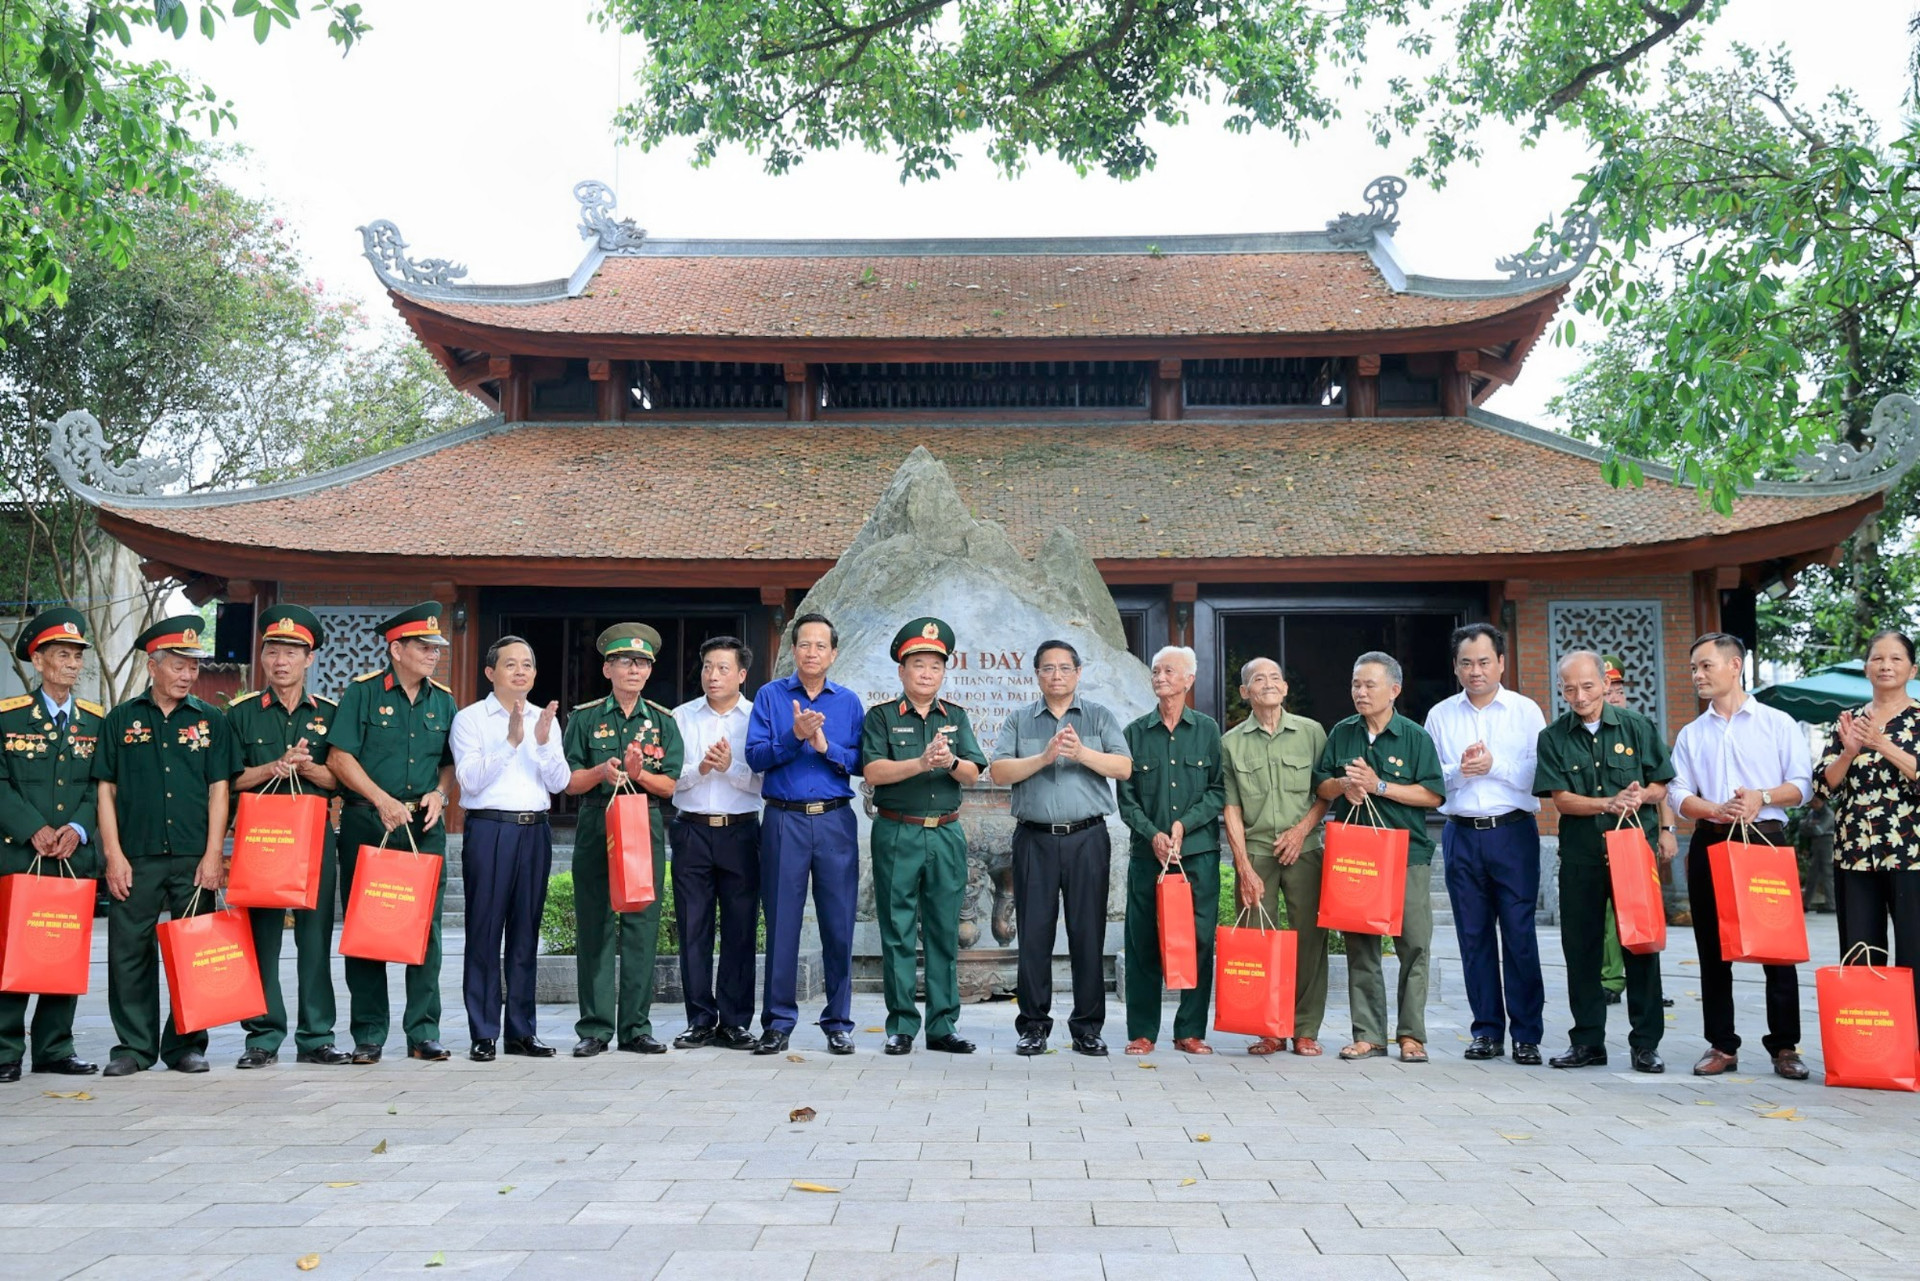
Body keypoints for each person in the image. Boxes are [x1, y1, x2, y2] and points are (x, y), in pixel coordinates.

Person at [93, 615, 240, 1077]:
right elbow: (105, 790)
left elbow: (221, 789)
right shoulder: (121, 719)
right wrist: (112, 855)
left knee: (195, 950)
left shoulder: (211, 719)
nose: (186, 675)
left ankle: (186, 1046)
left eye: (193, 667)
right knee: (129, 950)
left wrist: (215, 853)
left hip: (194, 856)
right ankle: (133, 1048)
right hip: (135, 856)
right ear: (152, 665)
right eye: (177, 665)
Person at [1670, 632, 1814, 1080]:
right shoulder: (1692, 734)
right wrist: (1713, 807)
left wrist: (1761, 796)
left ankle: (1785, 1046)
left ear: (1735, 666)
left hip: (1766, 839)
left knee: (1778, 947)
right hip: (1711, 839)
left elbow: (1803, 785)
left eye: (1705, 666)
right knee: (1713, 946)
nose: (1697, 675)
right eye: (1694, 668)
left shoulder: (1777, 723)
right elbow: (1677, 793)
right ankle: (1721, 1044)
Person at [326, 602, 458, 1064]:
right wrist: (380, 799)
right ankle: (368, 1034)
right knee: (368, 929)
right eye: (423, 647)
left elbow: (447, 763)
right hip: (368, 820)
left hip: (422, 828)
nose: (433, 655)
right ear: (396, 648)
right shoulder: (361, 693)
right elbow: (339, 757)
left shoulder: (443, 699)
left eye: (436, 648)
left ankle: (423, 1032)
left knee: (427, 932)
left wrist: (441, 794)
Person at [989, 638, 1133, 1058]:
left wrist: (1081, 752)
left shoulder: (1099, 717)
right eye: (1047, 668)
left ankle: (1087, 1028)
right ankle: (1033, 1026)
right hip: (1034, 838)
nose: (1056, 675)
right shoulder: (1019, 721)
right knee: (1034, 934)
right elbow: (999, 770)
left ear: (1078, 673)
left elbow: (1123, 767)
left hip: (1087, 837)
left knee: (1087, 932)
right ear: (1036, 675)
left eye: (1064, 668)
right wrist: (1045, 756)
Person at [1534, 649, 1672, 1073]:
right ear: (1562, 689)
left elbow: (1661, 785)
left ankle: (1645, 1043)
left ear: (1606, 685)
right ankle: (1588, 1041)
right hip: (1581, 854)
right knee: (1582, 949)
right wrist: (1608, 803)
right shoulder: (1553, 736)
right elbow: (1562, 800)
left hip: (1632, 851)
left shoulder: (1637, 726)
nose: (1580, 695)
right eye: (1570, 688)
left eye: (1588, 686)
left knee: (1640, 944)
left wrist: (1641, 795)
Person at [226, 605, 347, 1068]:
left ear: (309, 659)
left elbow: (341, 779)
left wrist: (308, 766)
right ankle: (262, 1036)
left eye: (292, 653)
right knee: (261, 941)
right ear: (262, 659)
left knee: (315, 941)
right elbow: (227, 780)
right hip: (261, 841)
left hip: (315, 835)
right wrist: (271, 768)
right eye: (273, 652)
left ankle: (317, 1036)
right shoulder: (239, 716)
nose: (281, 661)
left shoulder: (332, 715)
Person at [860, 617, 987, 1056]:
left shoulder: (956, 716)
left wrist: (949, 761)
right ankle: (900, 1025)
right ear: (901, 670)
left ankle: (942, 1025)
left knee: (942, 929)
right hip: (898, 830)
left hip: (946, 833)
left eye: (935, 666)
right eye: (918, 664)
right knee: (896, 930)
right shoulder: (880, 717)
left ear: (943, 672)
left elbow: (973, 772)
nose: (926, 673)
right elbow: (873, 771)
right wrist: (920, 762)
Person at [1423, 623, 1546, 1066]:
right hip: (1461, 833)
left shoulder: (1526, 711)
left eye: (1484, 661)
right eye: (1466, 663)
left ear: (1501, 663)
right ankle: (1487, 1031)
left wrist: (1495, 766)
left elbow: (1539, 774)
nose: (1476, 671)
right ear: (1456, 667)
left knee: (1519, 935)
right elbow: (1432, 778)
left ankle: (1527, 1034)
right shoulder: (1440, 715)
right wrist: (1460, 771)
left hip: (1513, 832)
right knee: (1473, 938)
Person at [1314, 651, 1445, 1063]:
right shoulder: (1343, 732)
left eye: (1370, 685)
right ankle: (1368, 1034)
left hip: (1406, 855)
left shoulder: (1414, 736)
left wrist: (1379, 786)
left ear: (1394, 690)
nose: (1361, 692)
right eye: (1356, 684)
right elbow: (1320, 786)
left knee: (1414, 945)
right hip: (1356, 856)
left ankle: (1411, 1035)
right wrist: (1342, 786)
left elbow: (1432, 795)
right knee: (1361, 946)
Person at [745, 613, 864, 1056]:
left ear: (833, 653)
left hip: (834, 820)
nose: (812, 652)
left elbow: (861, 762)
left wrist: (824, 747)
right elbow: (755, 756)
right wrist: (794, 737)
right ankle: (777, 1022)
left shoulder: (848, 702)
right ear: (792, 650)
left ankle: (838, 1022)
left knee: (838, 924)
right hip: (783, 820)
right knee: (781, 923)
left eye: (821, 646)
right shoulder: (770, 696)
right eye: (804, 645)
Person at [561, 624, 683, 1057]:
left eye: (643, 662)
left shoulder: (663, 721)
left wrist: (637, 775)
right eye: (626, 662)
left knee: (640, 925)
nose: (634, 669)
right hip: (597, 821)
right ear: (607, 668)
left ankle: (636, 1026)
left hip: (642, 819)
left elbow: (670, 786)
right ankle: (594, 1027)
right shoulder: (584, 717)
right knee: (594, 924)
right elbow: (570, 782)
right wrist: (602, 773)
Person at [450, 635, 568, 1063]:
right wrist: (511, 741)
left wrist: (538, 742)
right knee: (484, 931)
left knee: (525, 932)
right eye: (510, 664)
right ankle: (483, 1031)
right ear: (490, 672)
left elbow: (558, 783)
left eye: (528, 664)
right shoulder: (470, 719)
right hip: (490, 830)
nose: (520, 671)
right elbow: (471, 780)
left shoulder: (546, 719)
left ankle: (522, 1031)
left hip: (534, 830)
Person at [0, 607, 105, 1082]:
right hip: (21, 853)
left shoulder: (96, 722)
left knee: (62, 951)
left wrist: (79, 828)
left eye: (77, 656)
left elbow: (101, 786)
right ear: (37, 661)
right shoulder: (9, 718)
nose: (71, 664)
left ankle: (55, 1048)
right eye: (61, 655)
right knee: (13, 952)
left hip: (72, 855)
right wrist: (31, 827)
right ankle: (5, 1051)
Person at [1117, 645, 1225, 1056]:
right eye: (1156, 671)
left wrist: (1183, 825)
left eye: (1169, 671)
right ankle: (1142, 1031)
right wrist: (1153, 834)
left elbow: (1218, 791)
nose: (1160, 677)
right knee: (1142, 939)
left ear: (1188, 680)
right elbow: (1126, 801)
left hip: (1197, 854)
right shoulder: (1133, 733)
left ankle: (1190, 1031)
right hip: (1149, 856)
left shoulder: (1208, 731)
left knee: (1197, 940)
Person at [1221, 657, 1329, 1056]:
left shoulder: (1312, 732)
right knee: (1256, 939)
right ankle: (1268, 1027)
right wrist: (1243, 865)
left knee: (1309, 941)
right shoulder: (1230, 743)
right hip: (1257, 852)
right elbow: (1230, 807)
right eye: (1256, 680)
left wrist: (1302, 831)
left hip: (1306, 849)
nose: (1267, 684)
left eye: (1274, 678)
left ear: (1285, 688)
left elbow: (1325, 792)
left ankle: (1304, 1029)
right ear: (1245, 693)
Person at [1819, 629, 1920, 1040]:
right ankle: (1871, 1044)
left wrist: (1882, 745)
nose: (1886, 666)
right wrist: (1849, 751)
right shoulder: (1848, 721)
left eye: (1896, 659)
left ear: (1912, 669)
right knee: (1862, 950)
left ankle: (1913, 1044)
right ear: (1866, 668)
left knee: (1914, 951)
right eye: (1878, 658)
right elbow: (1823, 786)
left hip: (1912, 854)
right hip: (1854, 853)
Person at [670, 636, 763, 1052]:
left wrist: (732, 768)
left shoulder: (757, 717)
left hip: (742, 831)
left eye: (723, 668)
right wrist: (701, 769)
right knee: (693, 928)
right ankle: (699, 1019)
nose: (713, 675)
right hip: (691, 830)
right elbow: (670, 779)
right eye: (708, 667)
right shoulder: (681, 717)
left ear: (742, 675)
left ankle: (736, 1021)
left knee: (741, 929)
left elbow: (766, 781)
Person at [1799, 794, 1836, 913]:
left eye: (1815, 801)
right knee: (1812, 875)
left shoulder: (1829, 814)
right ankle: (1806, 904)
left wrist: (1809, 825)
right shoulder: (1812, 813)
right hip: (1815, 845)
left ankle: (1831, 904)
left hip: (1827, 844)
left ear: (1822, 802)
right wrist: (1810, 825)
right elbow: (1802, 828)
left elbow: (1819, 830)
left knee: (1828, 874)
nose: (1812, 804)